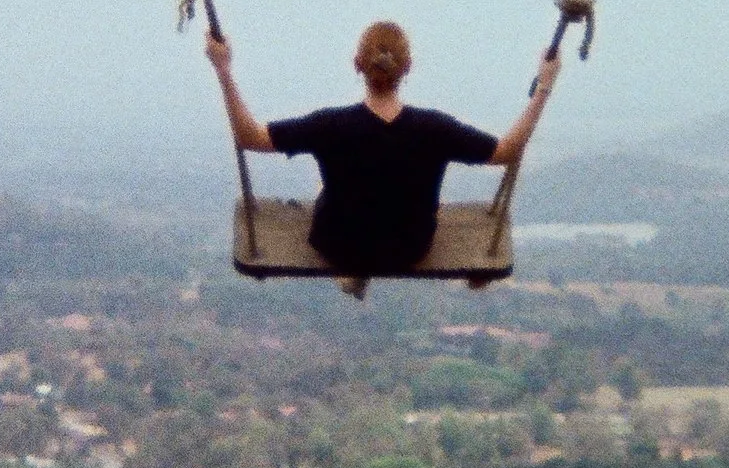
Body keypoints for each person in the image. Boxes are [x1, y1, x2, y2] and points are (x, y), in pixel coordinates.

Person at [206, 20, 561, 296]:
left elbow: (249, 137)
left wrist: (223, 69)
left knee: (327, 186)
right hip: (409, 249)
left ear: (356, 64)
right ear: (408, 67)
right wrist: (544, 85)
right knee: (425, 195)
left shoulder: (330, 125)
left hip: (338, 246)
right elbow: (508, 151)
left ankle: (354, 270)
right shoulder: (434, 128)